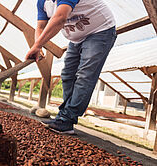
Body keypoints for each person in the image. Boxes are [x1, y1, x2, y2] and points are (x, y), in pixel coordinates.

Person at [25, 0, 117, 134]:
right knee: (68, 75)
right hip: (76, 38)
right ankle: (64, 116)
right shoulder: (42, 2)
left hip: (100, 31)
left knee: (85, 76)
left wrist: (37, 46)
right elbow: (40, 27)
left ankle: (66, 119)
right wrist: (38, 45)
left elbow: (60, 17)